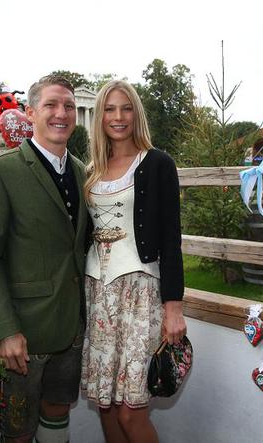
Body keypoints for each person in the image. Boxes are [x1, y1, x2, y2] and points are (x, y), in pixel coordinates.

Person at [0, 75, 88, 443]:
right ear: (30, 112)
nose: (62, 113)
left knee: (57, 412)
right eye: (51, 105)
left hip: (71, 328)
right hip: (24, 334)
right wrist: (4, 330)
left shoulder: (84, 173)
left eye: (68, 106)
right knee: (18, 430)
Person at [81, 80, 187, 442]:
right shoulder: (91, 170)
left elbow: (172, 238)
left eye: (126, 108)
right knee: (107, 407)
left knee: (131, 412)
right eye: (110, 109)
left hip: (141, 293)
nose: (118, 116)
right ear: (100, 116)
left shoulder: (158, 163)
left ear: (136, 113)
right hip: (98, 294)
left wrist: (174, 308)